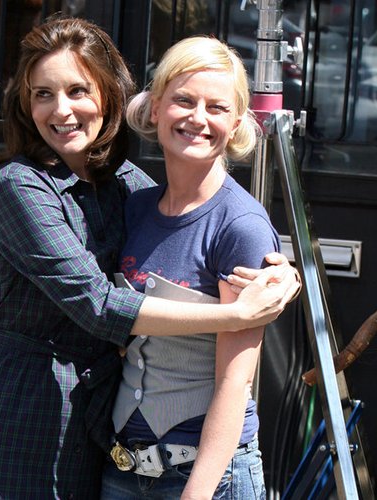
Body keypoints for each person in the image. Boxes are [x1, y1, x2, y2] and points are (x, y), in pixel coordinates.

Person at [0, 17, 300, 500]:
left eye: (78, 90)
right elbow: (97, 304)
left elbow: (199, 229)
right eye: (42, 94)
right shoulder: (21, 187)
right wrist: (233, 314)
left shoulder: (130, 186)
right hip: (11, 417)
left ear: (108, 95)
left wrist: (281, 270)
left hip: (94, 432)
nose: (61, 110)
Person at [101, 36, 282, 499]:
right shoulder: (135, 208)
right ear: (156, 106)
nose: (198, 118)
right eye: (184, 100)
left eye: (216, 107)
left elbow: (234, 379)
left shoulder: (240, 225)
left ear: (237, 121)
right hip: (122, 469)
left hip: (206, 477)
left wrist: (197, 493)